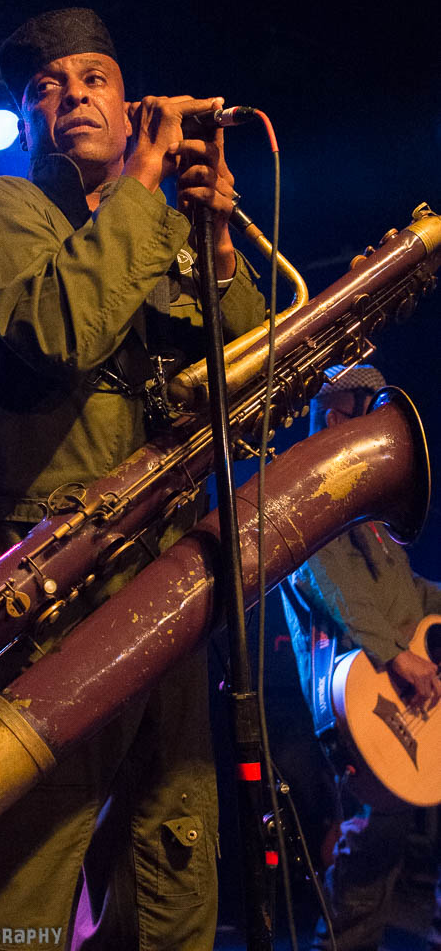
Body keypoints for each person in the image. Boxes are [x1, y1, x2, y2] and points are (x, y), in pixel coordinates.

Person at [0, 7, 265, 951]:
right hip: (45, 577)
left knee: (170, 871)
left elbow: (257, 404)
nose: (70, 95)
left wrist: (217, 249)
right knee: (15, 876)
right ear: (27, 122)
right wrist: (145, 187)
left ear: (127, 103)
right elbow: (61, 330)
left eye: (92, 78)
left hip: (172, 576)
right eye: (45, 88)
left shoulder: (170, 231)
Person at [280, 363, 441, 951]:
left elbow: (408, 593)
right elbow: (324, 577)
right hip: (361, 699)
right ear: (334, 420)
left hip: (394, 694)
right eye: (370, 422)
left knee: (387, 845)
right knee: (371, 847)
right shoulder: (310, 494)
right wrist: (395, 654)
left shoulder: (368, 511)